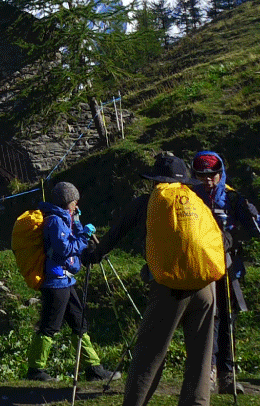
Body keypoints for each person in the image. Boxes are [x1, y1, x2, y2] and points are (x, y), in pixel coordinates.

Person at [82, 155, 218, 406]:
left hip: (170, 287)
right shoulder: (195, 202)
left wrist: (93, 254)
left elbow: (116, 234)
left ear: (155, 181)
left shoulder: (146, 203)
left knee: (150, 353)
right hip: (205, 285)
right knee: (200, 356)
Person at [23, 182, 119, 382]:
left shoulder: (64, 219)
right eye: (74, 202)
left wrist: (77, 223)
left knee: (79, 323)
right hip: (55, 281)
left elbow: (71, 242)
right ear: (68, 202)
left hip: (65, 280)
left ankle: (93, 368)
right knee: (50, 326)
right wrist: (84, 235)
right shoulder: (54, 222)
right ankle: (35, 370)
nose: (76, 205)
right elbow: (65, 249)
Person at [188, 151, 260, 395]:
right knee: (207, 319)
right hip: (199, 267)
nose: (207, 180)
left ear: (220, 174)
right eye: (202, 175)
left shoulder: (233, 199)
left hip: (228, 265)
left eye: (212, 174)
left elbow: (256, 230)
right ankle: (207, 373)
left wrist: (249, 222)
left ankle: (227, 374)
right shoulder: (189, 198)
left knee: (227, 319)